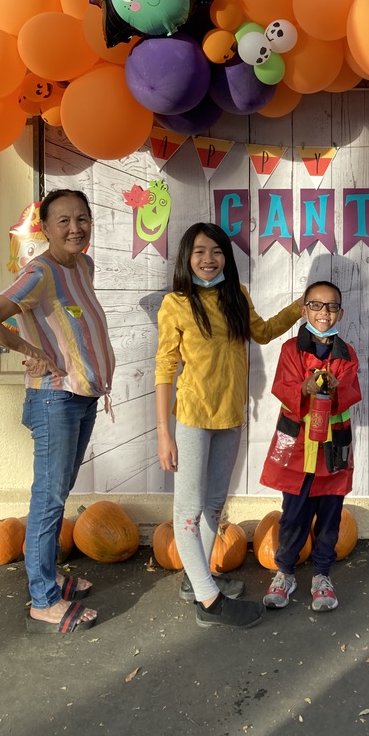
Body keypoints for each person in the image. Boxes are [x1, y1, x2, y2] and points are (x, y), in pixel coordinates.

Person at [0, 189, 114, 634]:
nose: (75, 228)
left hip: (82, 396)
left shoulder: (83, 266)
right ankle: (44, 601)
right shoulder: (40, 272)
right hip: (55, 398)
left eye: (82, 218)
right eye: (63, 221)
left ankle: (49, 576)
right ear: (46, 228)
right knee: (49, 498)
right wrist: (29, 351)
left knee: (58, 493)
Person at [155, 222, 302, 629]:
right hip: (193, 418)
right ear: (187, 258)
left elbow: (263, 332)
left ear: (226, 257)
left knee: (214, 504)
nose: (208, 259)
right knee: (187, 510)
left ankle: (197, 580)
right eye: (200, 251)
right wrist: (164, 433)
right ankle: (209, 603)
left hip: (231, 415)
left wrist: (299, 308)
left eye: (216, 251)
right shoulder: (176, 303)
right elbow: (165, 368)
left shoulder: (237, 295)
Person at [260, 280, 362, 612]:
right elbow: (282, 387)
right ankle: (285, 573)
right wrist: (303, 388)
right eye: (316, 305)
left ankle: (322, 575)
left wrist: (335, 387)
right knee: (293, 514)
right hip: (297, 449)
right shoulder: (291, 349)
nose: (324, 312)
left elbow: (351, 392)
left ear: (340, 313)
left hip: (332, 449)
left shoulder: (346, 354)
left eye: (331, 306)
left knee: (330, 515)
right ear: (304, 310)